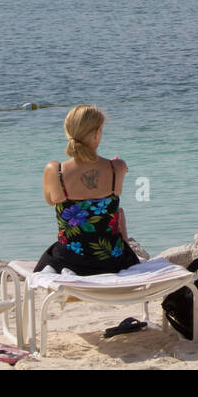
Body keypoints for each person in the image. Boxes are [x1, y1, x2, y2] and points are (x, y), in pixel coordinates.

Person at [33, 105, 139, 275]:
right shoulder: (117, 168)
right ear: (97, 133)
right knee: (118, 213)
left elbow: (50, 200)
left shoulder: (55, 171)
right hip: (112, 260)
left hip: (69, 260)